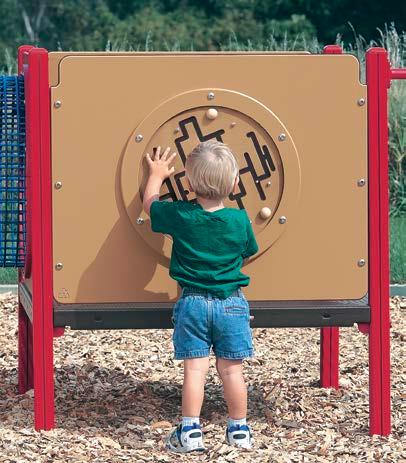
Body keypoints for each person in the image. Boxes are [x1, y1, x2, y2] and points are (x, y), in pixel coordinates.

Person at [143, 141, 258, 453]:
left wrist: (156, 175)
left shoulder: (181, 215)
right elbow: (248, 251)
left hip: (192, 303)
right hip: (231, 302)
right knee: (232, 370)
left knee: (195, 369)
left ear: (190, 184)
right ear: (234, 184)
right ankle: (239, 430)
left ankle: (190, 431)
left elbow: (151, 205)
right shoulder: (239, 220)